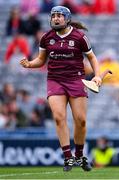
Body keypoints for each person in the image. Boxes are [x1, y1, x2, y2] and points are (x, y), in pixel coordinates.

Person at [20, 5, 102, 172]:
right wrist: (29, 64)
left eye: (59, 15)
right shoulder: (46, 37)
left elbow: (92, 58)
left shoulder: (80, 37)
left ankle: (79, 155)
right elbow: (41, 60)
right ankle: (68, 157)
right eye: (53, 15)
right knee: (58, 117)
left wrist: (97, 75)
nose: (56, 18)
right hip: (55, 80)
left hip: (76, 80)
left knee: (81, 120)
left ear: (67, 18)